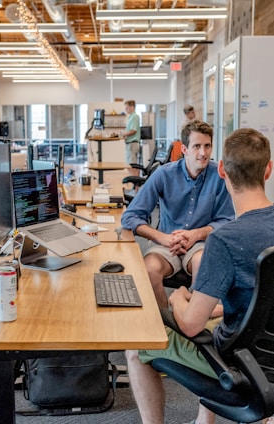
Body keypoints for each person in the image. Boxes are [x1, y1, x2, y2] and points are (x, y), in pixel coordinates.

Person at [126, 127, 274, 424]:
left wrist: (180, 298)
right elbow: (258, 298)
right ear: (268, 170)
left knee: (134, 347)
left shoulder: (225, 240)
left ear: (222, 170)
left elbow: (191, 325)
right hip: (267, 353)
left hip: (238, 362)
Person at [121, 120, 234, 308]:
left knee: (204, 266)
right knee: (149, 270)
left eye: (207, 146)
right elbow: (130, 216)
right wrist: (162, 238)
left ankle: (192, 322)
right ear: (184, 149)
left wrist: (196, 234)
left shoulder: (220, 176)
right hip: (166, 243)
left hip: (200, 244)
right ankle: (167, 324)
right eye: (196, 146)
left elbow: (227, 220)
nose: (203, 153)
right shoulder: (164, 174)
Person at [123, 100, 141, 176]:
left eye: (127, 108)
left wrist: (123, 134)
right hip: (129, 144)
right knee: (130, 166)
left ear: (132, 107)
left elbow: (133, 130)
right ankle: (135, 185)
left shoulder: (135, 117)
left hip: (132, 144)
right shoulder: (130, 117)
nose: (125, 109)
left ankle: (136, 186)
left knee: (132, 166)